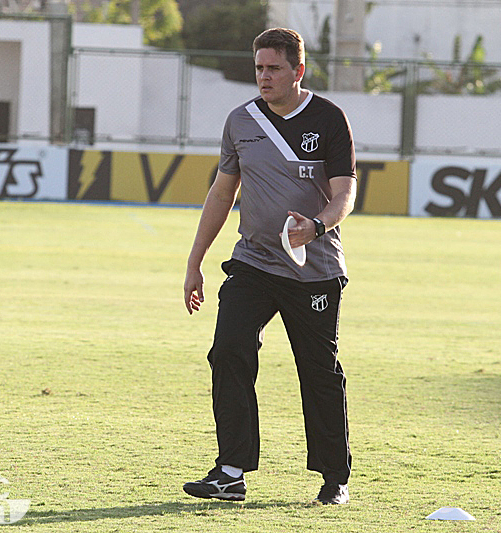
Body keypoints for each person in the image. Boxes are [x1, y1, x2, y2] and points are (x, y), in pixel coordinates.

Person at [182, 27, 356, 505]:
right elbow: (222, 193)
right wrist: (195, 262)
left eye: (274, 68)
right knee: (229, 350)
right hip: (253, 263)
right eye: (258, 68)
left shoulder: (328, 118)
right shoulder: (240, 121)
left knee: (318, 371)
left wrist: (316, 227)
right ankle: (231, 471)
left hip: (314, 269)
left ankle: (334, 478)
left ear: (298, 71)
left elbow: (345, 195)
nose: (264, 77)